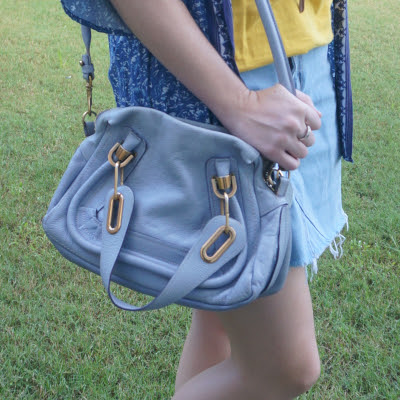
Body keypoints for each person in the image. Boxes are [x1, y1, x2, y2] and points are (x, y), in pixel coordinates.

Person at [61, 0, 353, 398]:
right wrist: (240, 104)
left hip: (302, 61)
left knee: (219, 307)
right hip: (217, 84)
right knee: (285, 367)